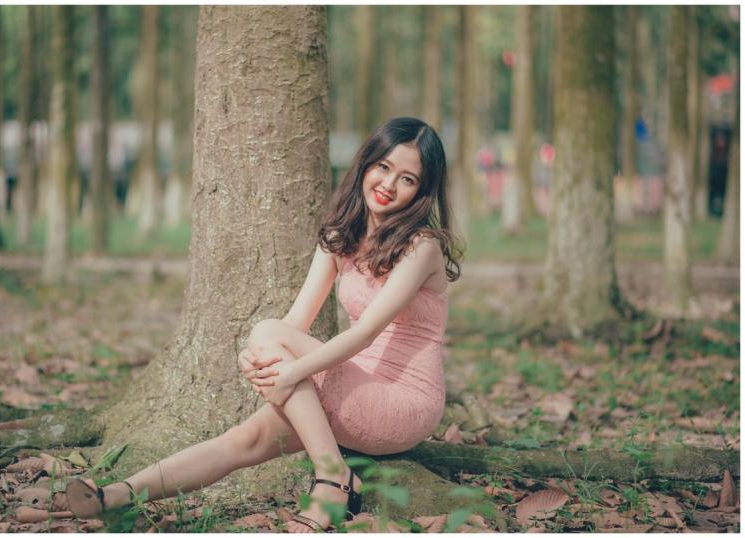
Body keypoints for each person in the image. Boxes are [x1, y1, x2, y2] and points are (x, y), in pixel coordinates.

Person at [63, 117, 463, 533]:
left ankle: (333, 479)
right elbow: (295, 322)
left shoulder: (423, 247)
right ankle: (115, 495)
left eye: (407, 179)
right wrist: (260, 356)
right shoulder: (341, 237)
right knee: (247, 438)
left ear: (422, 191)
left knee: (269, 334)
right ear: (365, 163)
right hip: (356, 387)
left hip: (402, 401)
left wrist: (288, 367)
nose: (388, 184)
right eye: (383, 166)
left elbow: (364, 335)